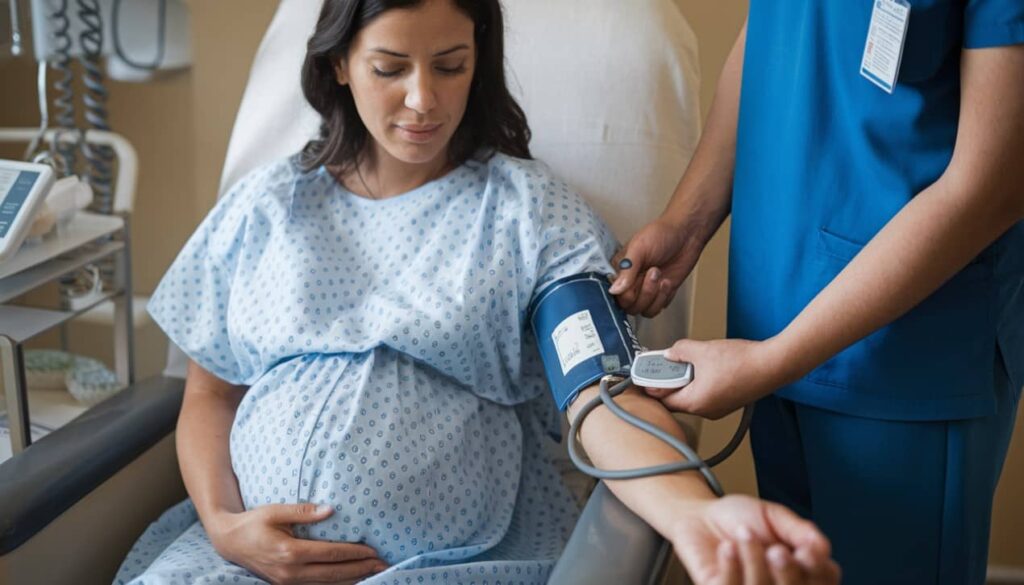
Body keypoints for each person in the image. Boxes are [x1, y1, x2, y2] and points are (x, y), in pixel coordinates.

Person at [114, 1, 842, 584]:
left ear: (479, 59)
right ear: (339, 64)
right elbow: (210, 394)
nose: (423, 99)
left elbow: (598, 389)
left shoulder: (527, 211)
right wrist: (222, 524)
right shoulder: (264, 208)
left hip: (456, 562)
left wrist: (694, 517)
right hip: (238, 561)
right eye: (390, 67)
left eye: (451, 65)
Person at [610, 3, 1024, 584]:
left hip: (904, 363)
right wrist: (688, 220)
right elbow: (768, 37)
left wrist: (770, 360)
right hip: (771, 308)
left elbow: (994, 185)